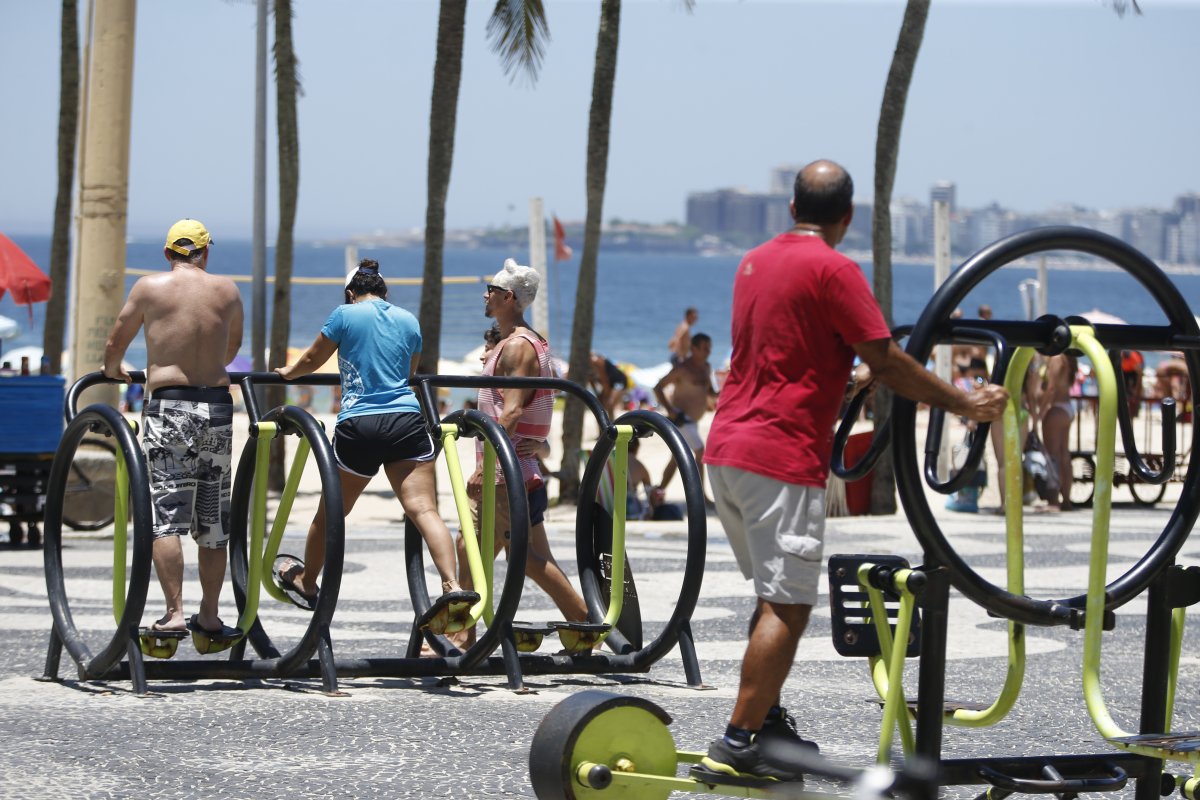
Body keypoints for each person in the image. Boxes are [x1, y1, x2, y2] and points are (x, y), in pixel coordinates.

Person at [697, 160, 1008, 786]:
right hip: (779, 458)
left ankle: (767, 726)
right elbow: (888, 359)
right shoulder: (835, 267)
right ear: (847, 217)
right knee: (788, 606)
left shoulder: (753, 261)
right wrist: (964, 403)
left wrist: (845, 378)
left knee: (770, 598)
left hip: (726, 448)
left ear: (791, 209)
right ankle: (736, 742)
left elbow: (785, 353)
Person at [274, 259, 476, 633]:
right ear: (385, 292)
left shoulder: (345, 314)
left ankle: (307, 580)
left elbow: (312, 359)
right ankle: (453, 584)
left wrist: (286, 374)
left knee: (331, 512)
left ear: (352, 293)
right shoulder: (408, 320)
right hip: (406, 421)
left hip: (360, 423)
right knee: (424, 509)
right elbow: (409, 373)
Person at [102, 219, 244, 640]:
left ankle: (175, 613)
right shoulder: (228, 290)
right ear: (206, 253)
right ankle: (212, 616)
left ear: (168, 253)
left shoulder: (150, 287)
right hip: (216, 407)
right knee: (213, 519)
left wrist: (113, 371)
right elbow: (232, 347)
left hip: (170, 407)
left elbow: (116, 341)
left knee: (167, 514)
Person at [454, 258, 589, 647]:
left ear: (509, 297)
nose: (486, 295)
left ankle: (464, 636)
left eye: (492, 291)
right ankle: (583, 625)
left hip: (506, 471)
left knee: (487, 551)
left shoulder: (517, 346)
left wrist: (488, 467)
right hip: (522, 466)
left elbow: (512, 410)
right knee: (522, 557)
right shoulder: (528, 342)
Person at [654, 332, 718, 507]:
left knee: (676, 458)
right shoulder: (683, 369)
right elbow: (658, 387)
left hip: (693, 422)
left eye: (709, 348)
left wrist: (725, 390)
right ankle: (701, 498)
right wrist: (670, 410)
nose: (708, 351)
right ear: (693, 349)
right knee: (700, 452)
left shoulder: (706, 367)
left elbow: (710, 392)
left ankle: (657, 493)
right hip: (681, 421)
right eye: (704, 348)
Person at [1037, 351, 1078, 511]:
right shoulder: (1070, 359)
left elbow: (1052, 388)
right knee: (1064, 455)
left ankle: (1053, 501)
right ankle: (1066, 499)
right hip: (1067, 407)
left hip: (1056, 408)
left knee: (1052, 456)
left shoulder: (1056, 358)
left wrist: (1041, 411)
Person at [589, 353, 629, 419]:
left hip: (619, 381)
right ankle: (605, 426)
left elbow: (605, 380)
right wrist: (598, 395)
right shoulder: (587, 366)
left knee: (609, 404)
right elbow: (591, 381)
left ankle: (611, 424)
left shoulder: (597, 361)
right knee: (600, 406)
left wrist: (605, 396)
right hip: (610, 383)